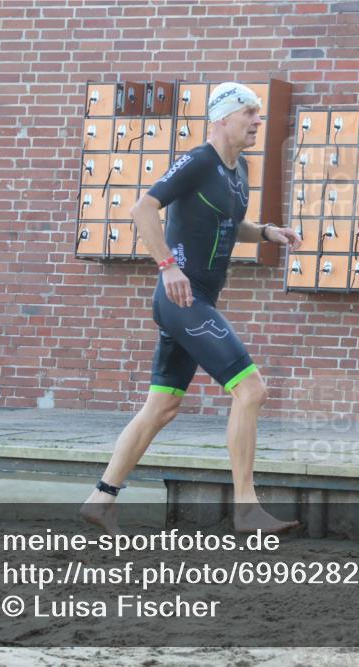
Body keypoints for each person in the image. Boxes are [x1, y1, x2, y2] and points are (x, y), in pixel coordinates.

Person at [81, 83, 302, 534]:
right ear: (222, 118)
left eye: (258, 114)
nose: (258, 121)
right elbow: (143, 209)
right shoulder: (199, 161)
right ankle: (246, 508)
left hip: (193, 301)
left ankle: (101, 498)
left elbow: (225, 222)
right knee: (251, 390)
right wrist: (167, 266)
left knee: (162, 406)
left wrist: (264, 232)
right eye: (249, 113)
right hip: (182, 300)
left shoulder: (238, 170)